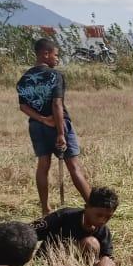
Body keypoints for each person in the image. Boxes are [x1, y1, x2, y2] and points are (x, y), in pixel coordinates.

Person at [17, 38, 92, 215]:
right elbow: (57, 105)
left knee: (43, 165)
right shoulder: (54, 75)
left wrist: (42, 119)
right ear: (45, 54)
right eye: (56, 55)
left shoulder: (24, 79)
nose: (57, 59)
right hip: (59, 124)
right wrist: (60, 132)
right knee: (73, 165)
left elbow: (23, 107)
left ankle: (45, 208)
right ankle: (91, 204)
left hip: (36, 126)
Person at [32, 186, 117, 261]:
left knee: (91, 244)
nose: (102, 220)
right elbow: (28, 232)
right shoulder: (63, 217)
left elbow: (107, 258)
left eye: (108, 217)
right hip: (47, 262)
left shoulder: (103, 231)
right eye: (99, 215)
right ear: (86, 207)